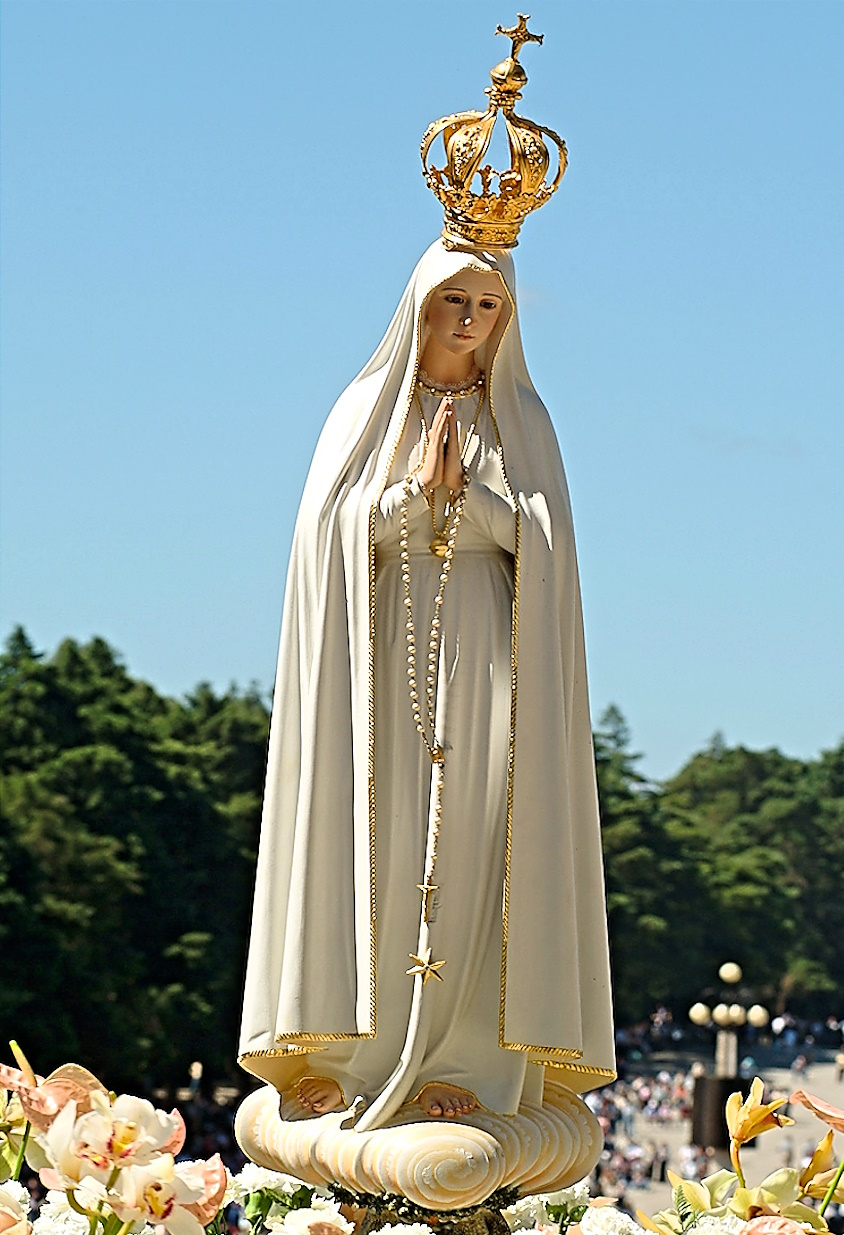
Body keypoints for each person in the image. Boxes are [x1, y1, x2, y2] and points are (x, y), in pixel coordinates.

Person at [238, 16, 615, 1136]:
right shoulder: (366, 410)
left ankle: (461, 1060)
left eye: (489, 306)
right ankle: (356, 1052)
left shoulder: (522, 421)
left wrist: (480, 505)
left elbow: (547, 548)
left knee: (478, 842)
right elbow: (326, 536)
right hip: (381, 669)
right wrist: (409, 500)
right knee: (383, 835)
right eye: (455, 301)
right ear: (418, 306)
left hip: (486, 660)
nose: (470, 320)